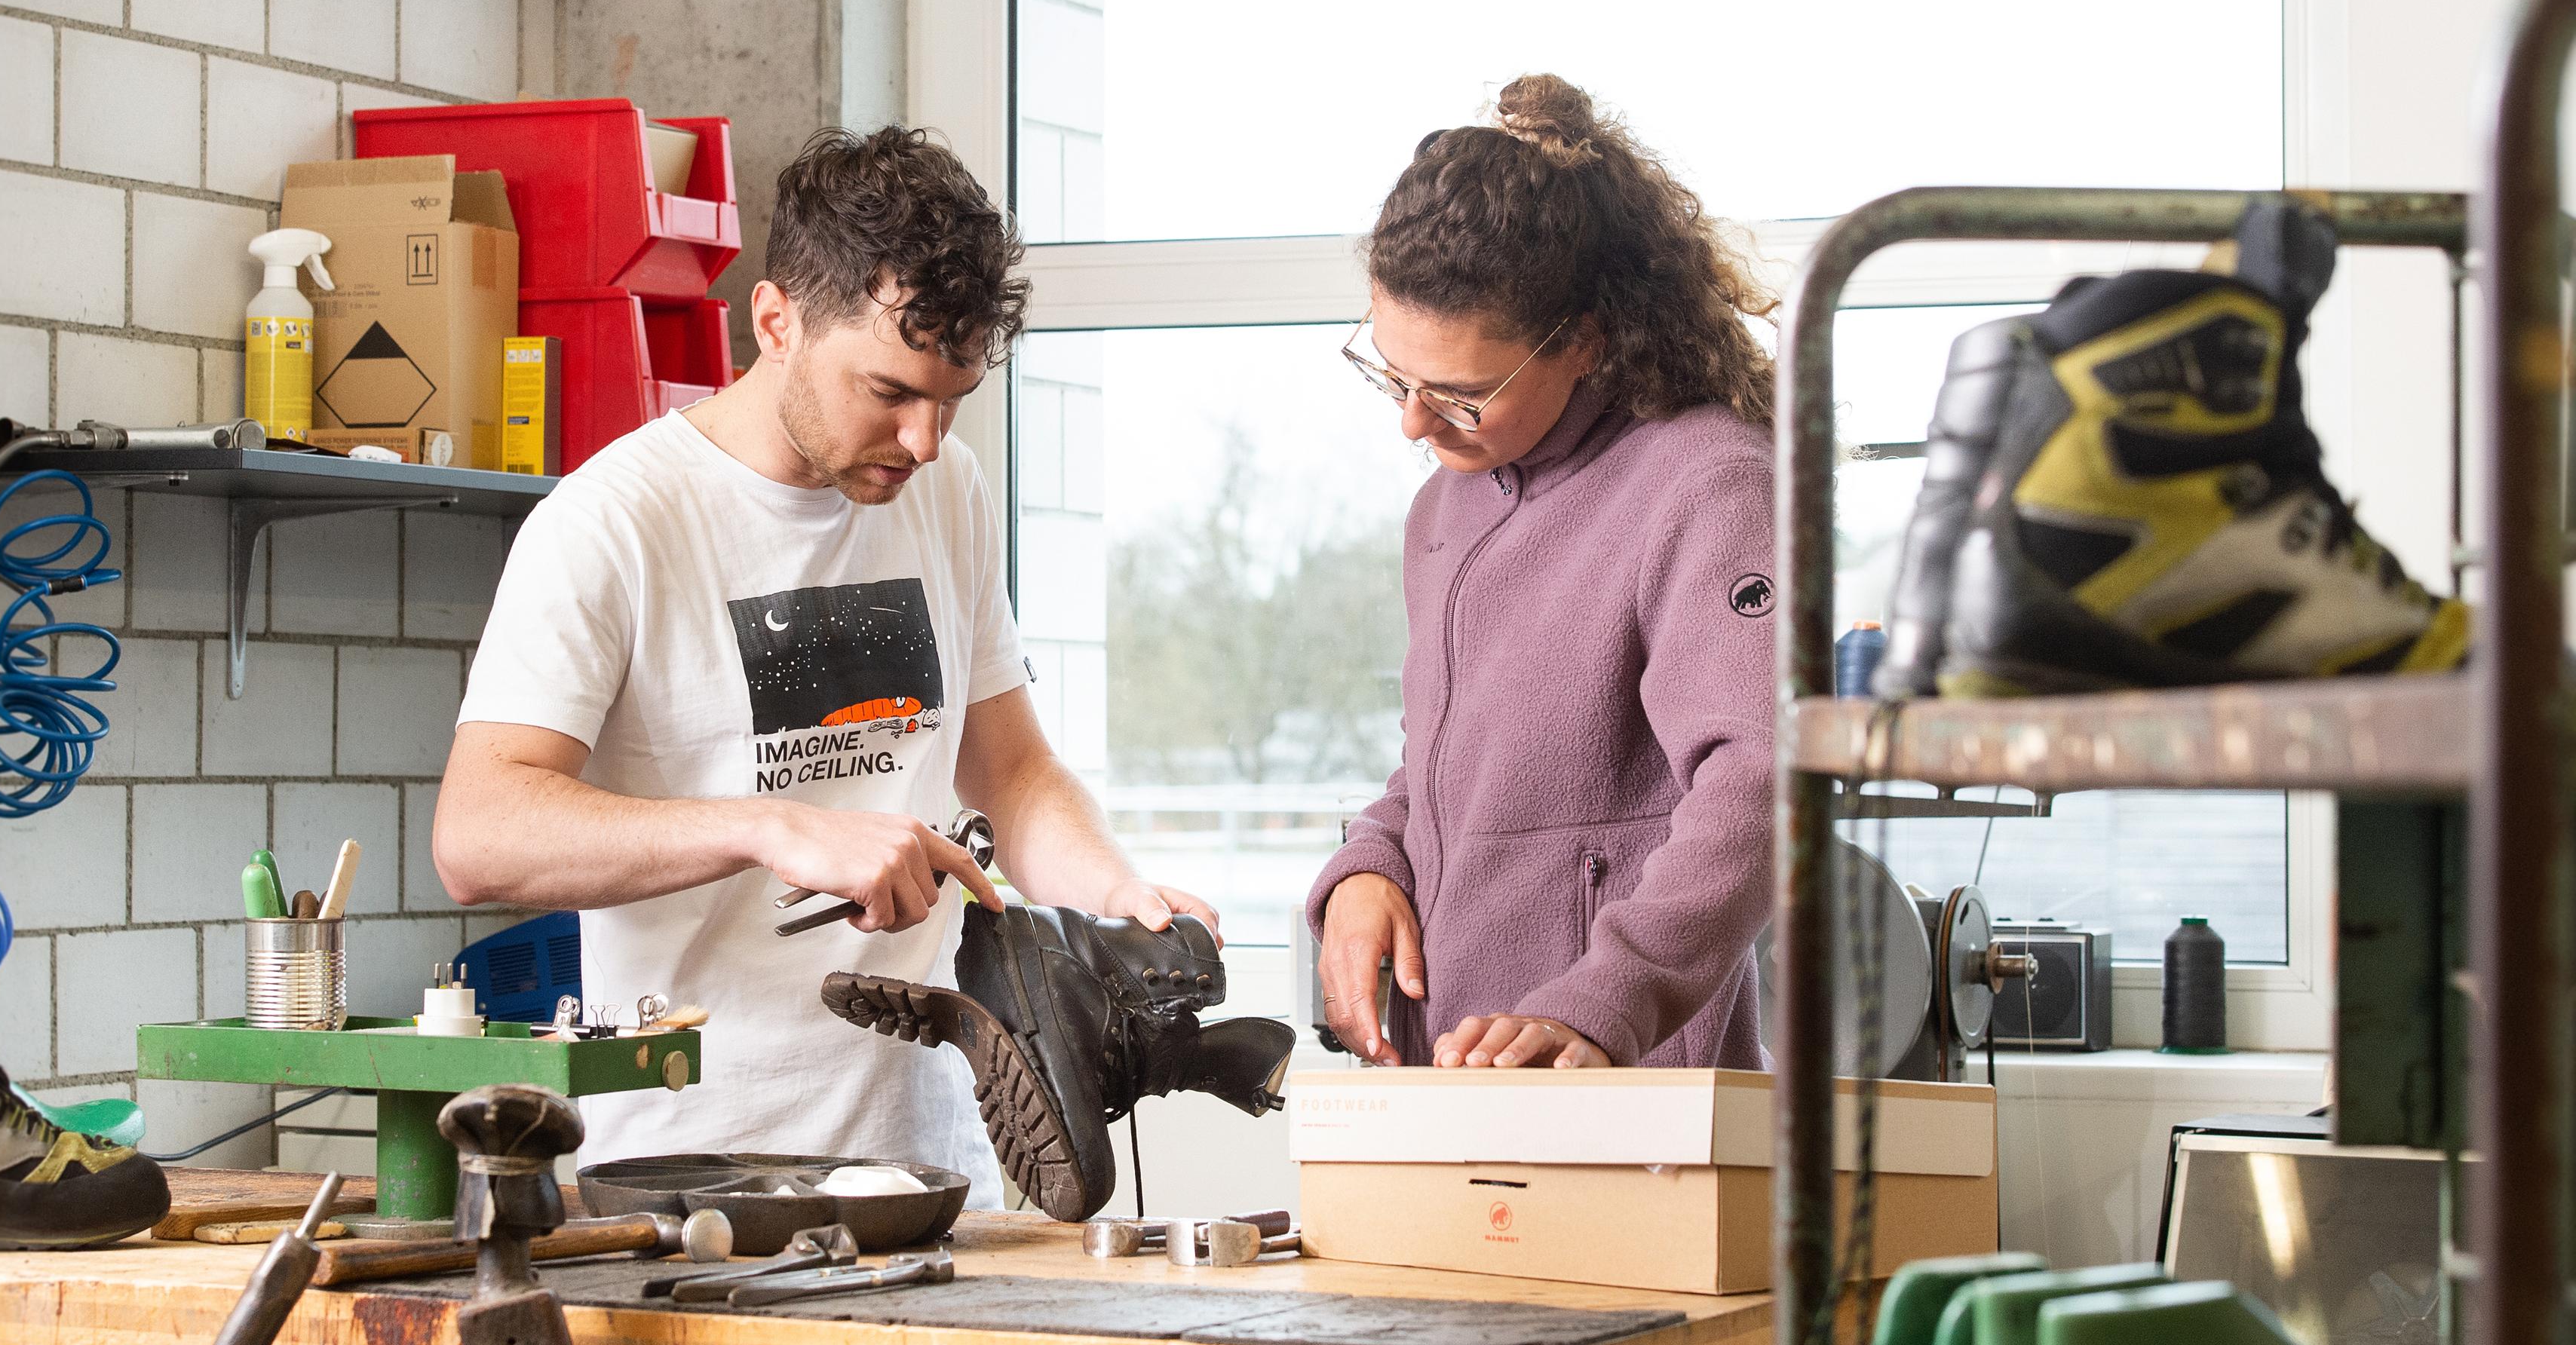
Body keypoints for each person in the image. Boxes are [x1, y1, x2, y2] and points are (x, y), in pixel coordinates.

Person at [435, 125, 1219, 1192]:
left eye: (952, 398)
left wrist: (1117, 893)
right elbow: (477, 834)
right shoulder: (614, 521)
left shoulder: (947, 490)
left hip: (932, 1164)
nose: (926, 438)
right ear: (777, 322)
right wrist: (773, 827)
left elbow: (1012, 770)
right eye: (890, 391)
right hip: (694, 1175)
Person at [1310, 74, 1778, 1074]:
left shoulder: (1706, 480)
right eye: (1393, 375)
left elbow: (1764, 775)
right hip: (1460, 1088)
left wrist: (1607, 998)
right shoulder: (1445, 505)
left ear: (1584, 342)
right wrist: (1369, 865)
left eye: (1462, 393)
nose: (1415, 422)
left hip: (1631, 1090)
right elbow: (1448, 772)